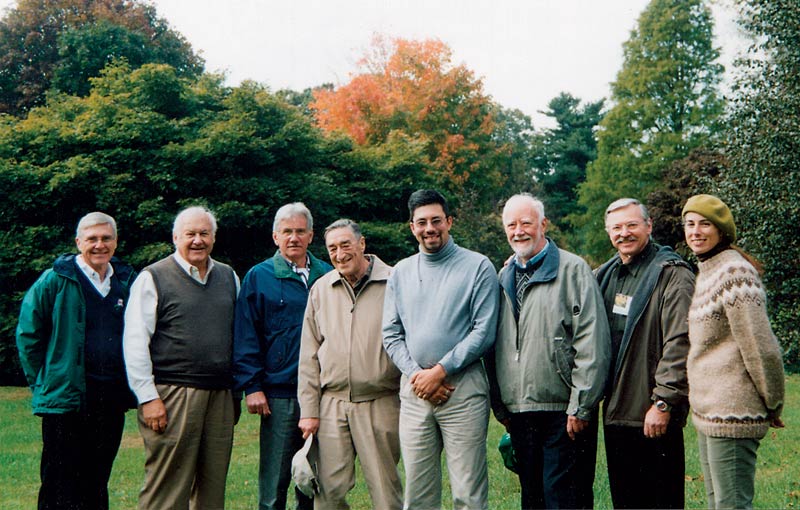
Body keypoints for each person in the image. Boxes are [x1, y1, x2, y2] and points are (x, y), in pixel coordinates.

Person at [486, 194, 610, 509]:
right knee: (533, 498)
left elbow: (591, 341)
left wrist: (581, 406)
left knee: (565, 498)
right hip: (520, 411)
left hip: (564, 411)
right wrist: (502, 408)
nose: (518, 231)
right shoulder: (503, 278)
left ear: (543, 224)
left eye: (526, 223)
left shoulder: (574, 271)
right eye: (510, 225)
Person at [382, 189, 499, 510]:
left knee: (468, 493)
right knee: (418, 495)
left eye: (436, 220)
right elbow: (391, 334)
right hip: (415, 393)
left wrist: (441, 371)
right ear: (412, 227)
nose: (429, 228)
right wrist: (419, 376)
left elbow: (484, 331)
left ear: (449, 222)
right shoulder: (401, 272)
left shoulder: (478, 266)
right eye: (422, 222)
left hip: (463, 392)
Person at [16, 212, 137, 510]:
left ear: (116, 241)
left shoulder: (125, 281)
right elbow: (28, 334)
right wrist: (43, 383)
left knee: (97, 482)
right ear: (78, 242)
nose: (99, 245)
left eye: (106, 238)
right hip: (66, 401)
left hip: (109, 401)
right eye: (92, 239)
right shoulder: (55, 279)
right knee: (60, 484)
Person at [123, 205, 240, 509]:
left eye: (204, 233)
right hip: (172, 395)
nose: (198, 240)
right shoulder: (153, 277)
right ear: (176, 237)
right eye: (190, 234)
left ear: (214, 238)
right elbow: (135, 342)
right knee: (167, 488)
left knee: (212, 488)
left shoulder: (229, 276)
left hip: (220, 395)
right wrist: (148, 398)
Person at [682, 194, 785, 510]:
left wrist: (773, 401)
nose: (696, 231)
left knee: (731, 505)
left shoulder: (735, 273)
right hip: (709, 411)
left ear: (722, 230)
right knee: (718, 503)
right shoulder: (709, 270)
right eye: (690, 224)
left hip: (733, 410)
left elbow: (760, 346)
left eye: (705, 224)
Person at [594, 197, 694, 509]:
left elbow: (682, 341)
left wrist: (664, 401)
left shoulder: (673, 274)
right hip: (617, 414)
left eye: (631, 225)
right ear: (609, 233)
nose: (624, 233)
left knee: (661, 502)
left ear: (648, 226)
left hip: (653, 413)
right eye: (616, 228)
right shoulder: (604, 275)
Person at [297, 219, 402, 510]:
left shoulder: (395, 281)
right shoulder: (321, 289)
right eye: (332, 248)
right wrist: (309, 411)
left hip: (381, 402)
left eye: (346, 245)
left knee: (385, 490)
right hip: (331, 404)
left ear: (362, 244)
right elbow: (308, 354)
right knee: (328, 492)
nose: (339, 253)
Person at [233, 202, 332, 510]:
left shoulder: (327, 275)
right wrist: (253, 385)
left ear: (311, 235)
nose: (294, 238)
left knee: (313, 479)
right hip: (279, 395)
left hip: (322, 393)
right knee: (275, 483)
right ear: (275, 236)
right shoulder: (259, 276)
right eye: (287, 231)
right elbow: (246, 333)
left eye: (300, 231)